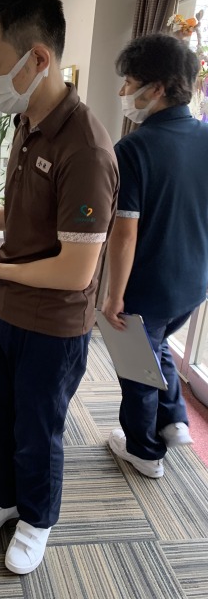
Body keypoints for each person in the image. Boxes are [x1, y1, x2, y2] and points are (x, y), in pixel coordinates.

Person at [0, 0, 119, 575]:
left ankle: (37, 519)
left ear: (38, 58)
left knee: (38, 430)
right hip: (3, 311)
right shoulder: (26, 122)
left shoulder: (86, 148)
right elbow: (26, 214)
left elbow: (77, 269)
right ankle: (5, 497)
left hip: (51, 326)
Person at [102, 33, 208, 479]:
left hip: (149, 285)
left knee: (136, 369)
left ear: (158, 88)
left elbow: (124, 234)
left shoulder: (133, 149)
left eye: (130, 82)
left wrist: (114, 296)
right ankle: (175, 419)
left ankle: (144, 452)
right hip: (194, 282)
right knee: (158, 342)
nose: (124, 92)